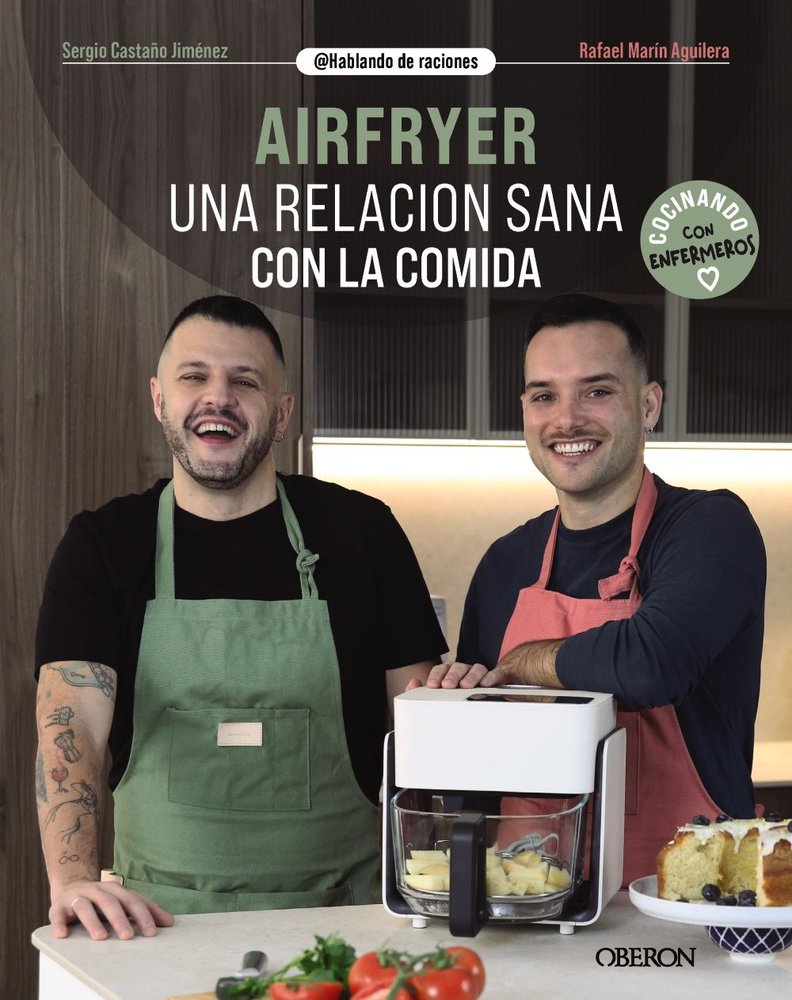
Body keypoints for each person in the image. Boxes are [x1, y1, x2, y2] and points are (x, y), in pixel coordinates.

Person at [35, 295, 446, 940]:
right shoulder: (104, 545)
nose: (218, 397)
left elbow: (417, 733)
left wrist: (439, 889)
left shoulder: (363, 533)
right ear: (159, 399)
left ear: (281, 414)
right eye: (193, 375)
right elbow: (73, 725)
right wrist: (72, 878)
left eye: (245, 381)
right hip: (155, 929)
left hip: (347, 925)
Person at [422, 293, 766, 885]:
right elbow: (480, 761)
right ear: (525, 410)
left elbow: (650, 663)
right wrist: (447, 704)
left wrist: (523, 663)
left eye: (597, 391)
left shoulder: (710, 527)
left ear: (649, 404)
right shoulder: (505, 563)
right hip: (531, 896)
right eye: (544, 396)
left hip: (689, 904)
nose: (567, 419)